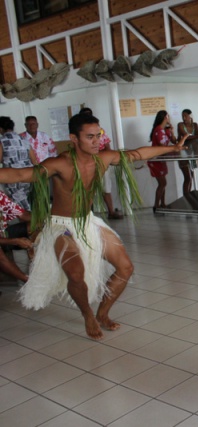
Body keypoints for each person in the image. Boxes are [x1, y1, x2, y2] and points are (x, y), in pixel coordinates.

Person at [0, 113, 186, 339]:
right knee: (76, 274)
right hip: (61, 227)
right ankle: (87, 314)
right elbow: (21, 174)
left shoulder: (103, 158)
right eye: (90, 137)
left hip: (87, 221)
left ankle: (103, 314)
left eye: (98, 135)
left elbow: (137, 154)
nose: (97, 141)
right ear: (74, 138)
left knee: (125, 268)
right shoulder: (60, 163)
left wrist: (173, 147)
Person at [78, 108, 123, 219]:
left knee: (106, 188)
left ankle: (111, 212)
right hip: (85, 164)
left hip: (101, 162)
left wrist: (107, 159)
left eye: (89, 115)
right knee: (87, 189)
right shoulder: (78, 132)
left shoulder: (100, 131)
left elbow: (107, 147)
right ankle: (87, 214)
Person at [0, 116, 37, 210]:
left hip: (13, 178)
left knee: (20, 207)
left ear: (1, 129)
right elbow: (34, 161)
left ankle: (30, 217)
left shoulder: (2, 141)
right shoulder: (24, 140)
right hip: (28, 176)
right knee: (28, 201)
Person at [0, 190, 33, 283]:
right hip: (4, 240)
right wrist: (15, 241)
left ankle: (35, 257)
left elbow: (23, 215)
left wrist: (47, 219)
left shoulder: (0, 196)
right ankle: (29, 281)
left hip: (4, 234)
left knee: (35, 225)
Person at [148, 110, 176, 212]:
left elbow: (174, 141)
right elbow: (162, 145)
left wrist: (172, 131)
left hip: (162, 159)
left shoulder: (165, 130)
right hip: (156, 160)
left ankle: (163, 204)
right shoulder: (158, 130)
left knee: (163, 183)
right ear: (165, 117)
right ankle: (156, 206)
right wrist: (172, 149)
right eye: (168, 116)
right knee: (162, 183)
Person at [176, 109, 198, 195]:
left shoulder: (195, 125)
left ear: (190, 116)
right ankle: (186, 198)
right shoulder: (180, 125)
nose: (184, 118)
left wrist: (197, 137)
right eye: (182, 116)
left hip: (193, 153)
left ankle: (188, 196)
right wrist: (197, 136)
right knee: (188, 178)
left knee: (191, 177)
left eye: (185, 116)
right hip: (183, 152)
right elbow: (186, 136)